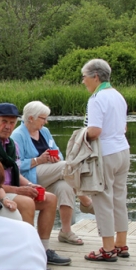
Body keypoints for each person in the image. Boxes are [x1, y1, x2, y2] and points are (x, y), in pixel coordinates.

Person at [0, 103, 71, 267]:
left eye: (12, 123)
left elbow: (15, 171)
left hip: (10, 189)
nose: (8, 126)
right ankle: (27, 254)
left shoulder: (10, 144)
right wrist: (19, 190)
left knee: (50, 199)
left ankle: (43, 251)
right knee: (26, 202)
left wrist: (31, 185)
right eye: (4, 121)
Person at [11, 101, 94, 246]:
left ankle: (66, 231)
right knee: (66, 167)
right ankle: (86, 201)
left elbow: (59, 154)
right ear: (31, 118)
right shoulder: (18, 135)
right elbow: (15, 165)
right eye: (43, 118)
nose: (46, 121)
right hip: (30, 176)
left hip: (50, 172)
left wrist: (55, 158)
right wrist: (38, 160)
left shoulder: (44, 132)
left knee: (65, 185)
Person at [81, 59, 131, 262]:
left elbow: (95, 131)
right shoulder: (118, 96)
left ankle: (108, 248)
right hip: (123, 150)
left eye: (84, 77)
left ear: (95, 76)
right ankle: (121, 243)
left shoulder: (97, 98)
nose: (83, 82)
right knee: (119, 197)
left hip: (106, 154)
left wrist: (80, 135)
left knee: (102, 200)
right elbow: (124, 128)